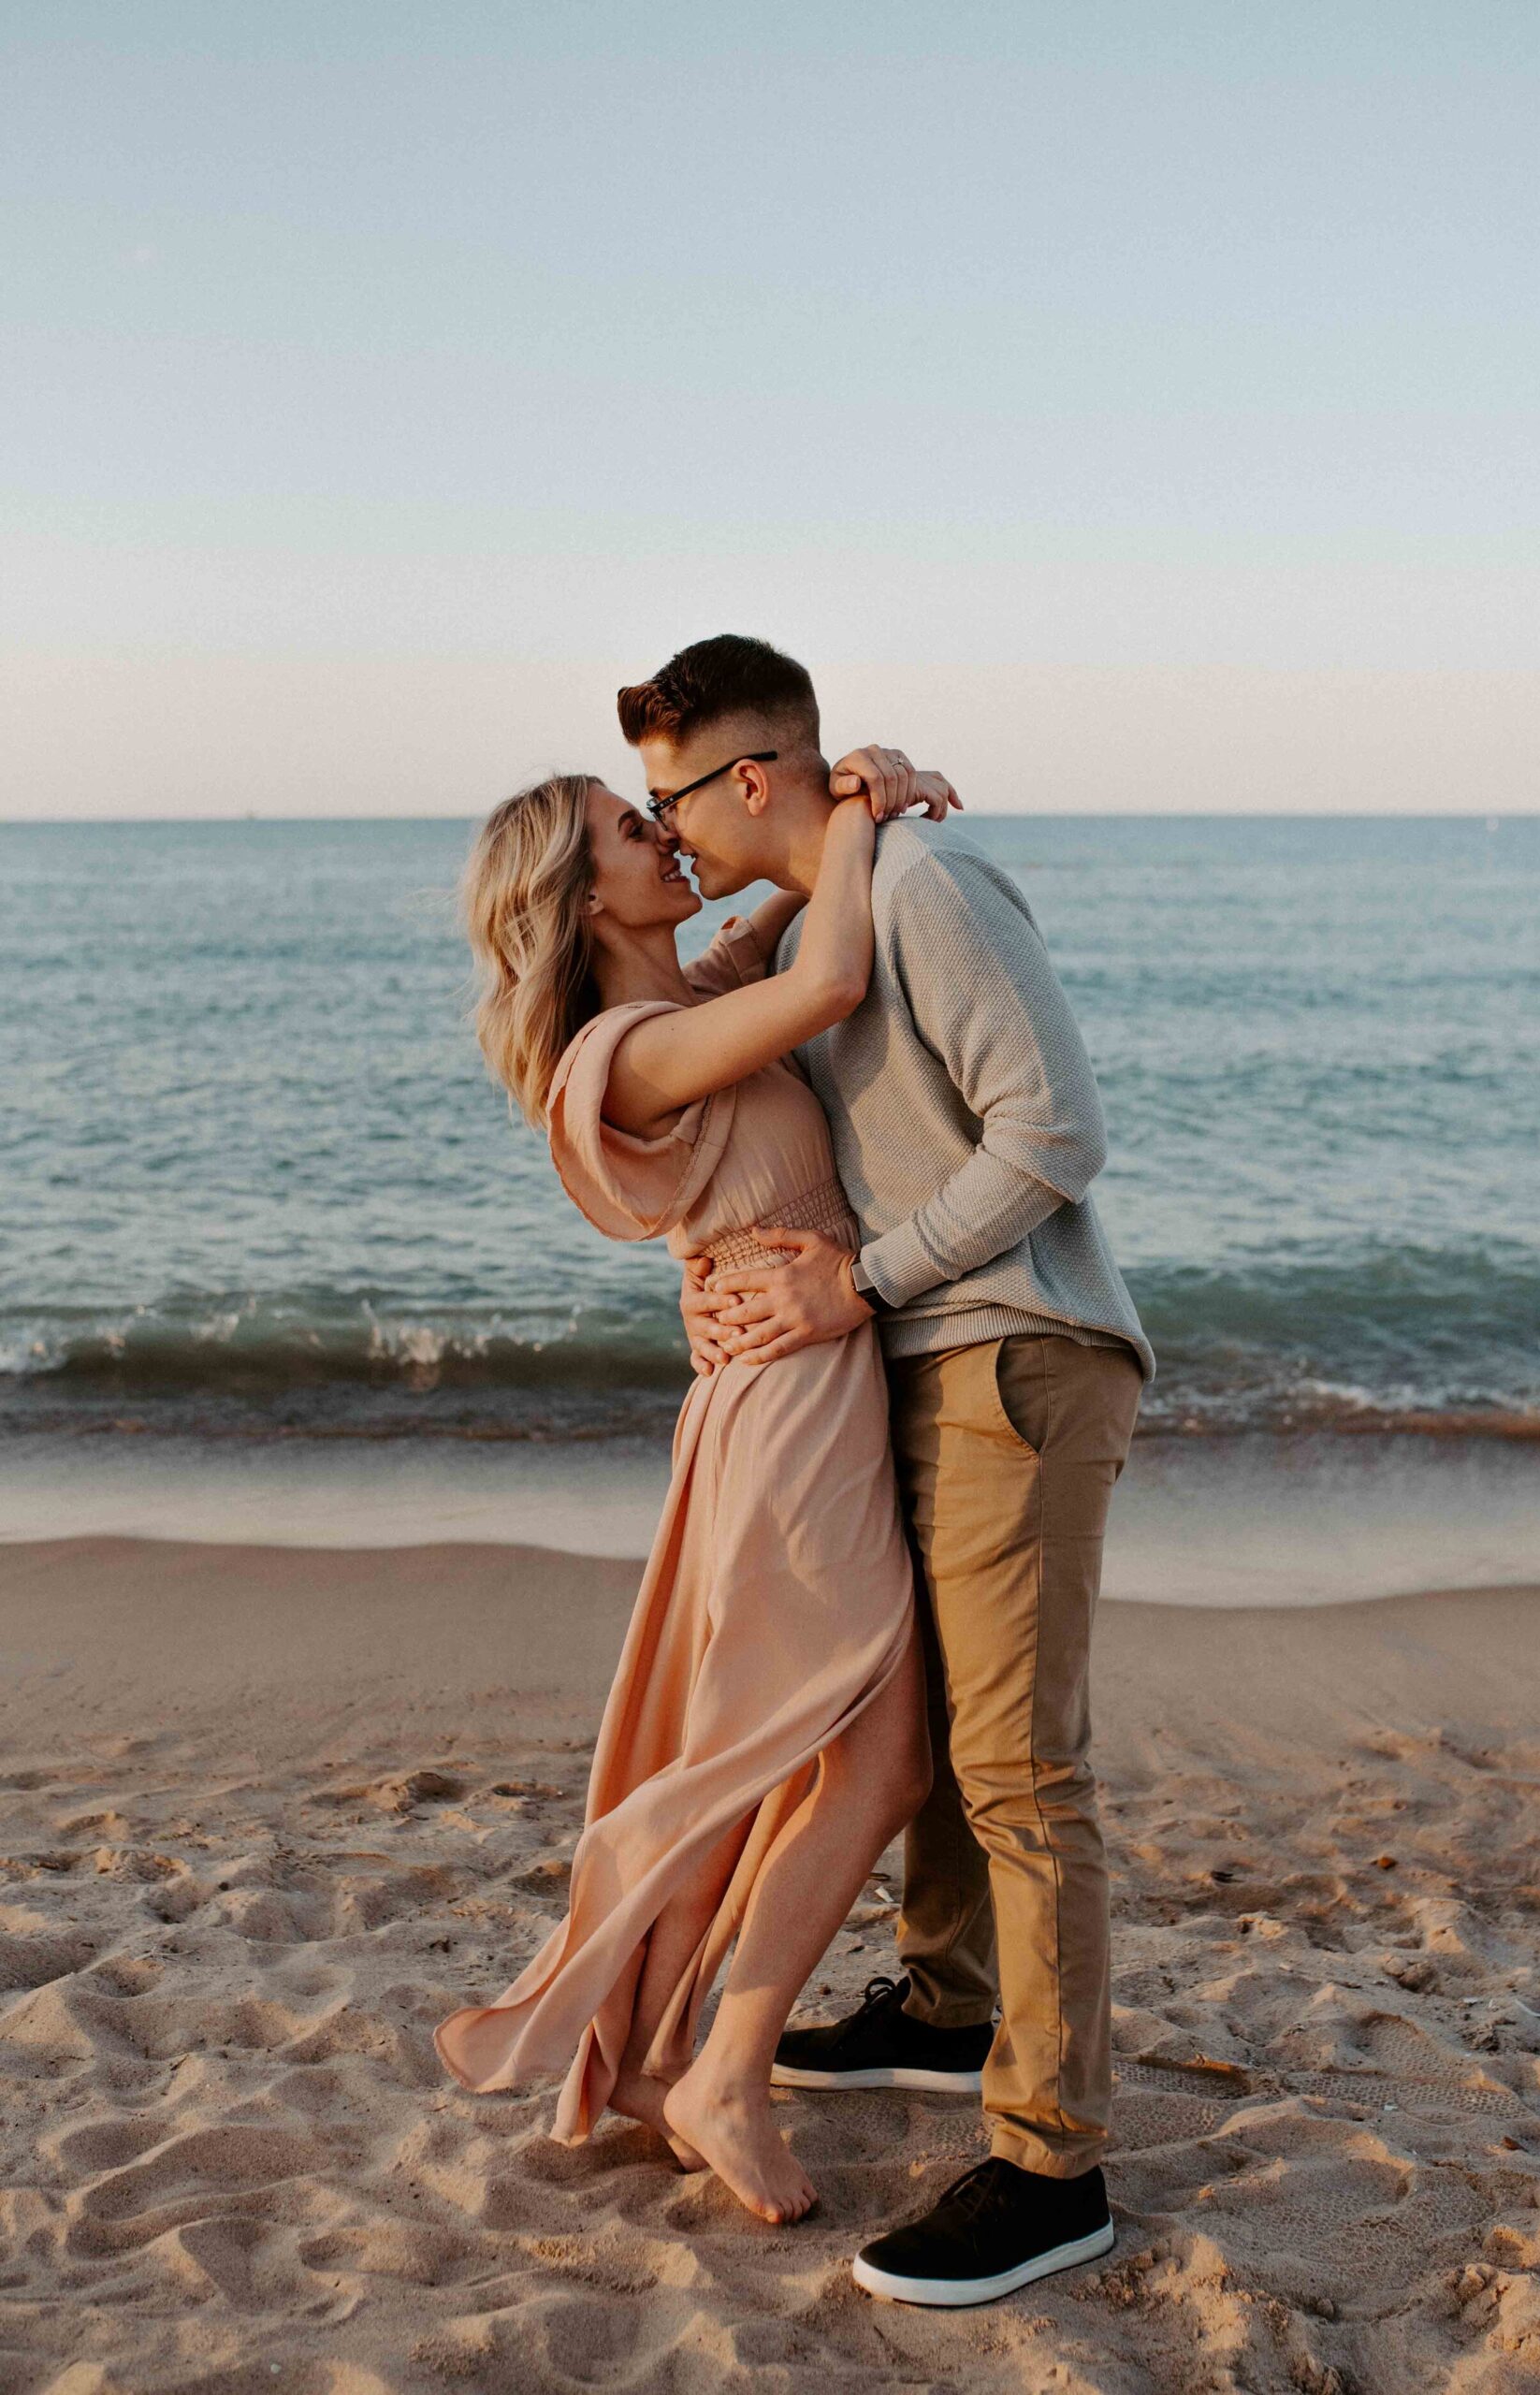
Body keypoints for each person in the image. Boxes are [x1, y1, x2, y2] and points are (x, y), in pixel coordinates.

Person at [622, 634, 1155, 2308]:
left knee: (1015, 1770)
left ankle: (1051, 2168)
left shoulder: (925, 885)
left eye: (673, 800)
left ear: (753, 776)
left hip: (1017, 1353)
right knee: (918, 1727)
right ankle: (944, 2006)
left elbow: (1052, 1135)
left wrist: (854, 1282)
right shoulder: (846, 897)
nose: (673, 836)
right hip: (924, 1364)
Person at [434, 743, 958, 2227]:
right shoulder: (637, 1048)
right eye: (627, 827)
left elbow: (776, 928)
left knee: (833, 1751)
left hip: (796, 1387)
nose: (662, 833)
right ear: (581, 896)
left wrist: (835, 791)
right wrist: (855, 814)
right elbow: (834, 976)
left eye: (660, 809)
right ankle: (723, 2066)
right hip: (787, 1408)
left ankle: (692, 2061)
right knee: (872, 1755)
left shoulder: (686, 999)